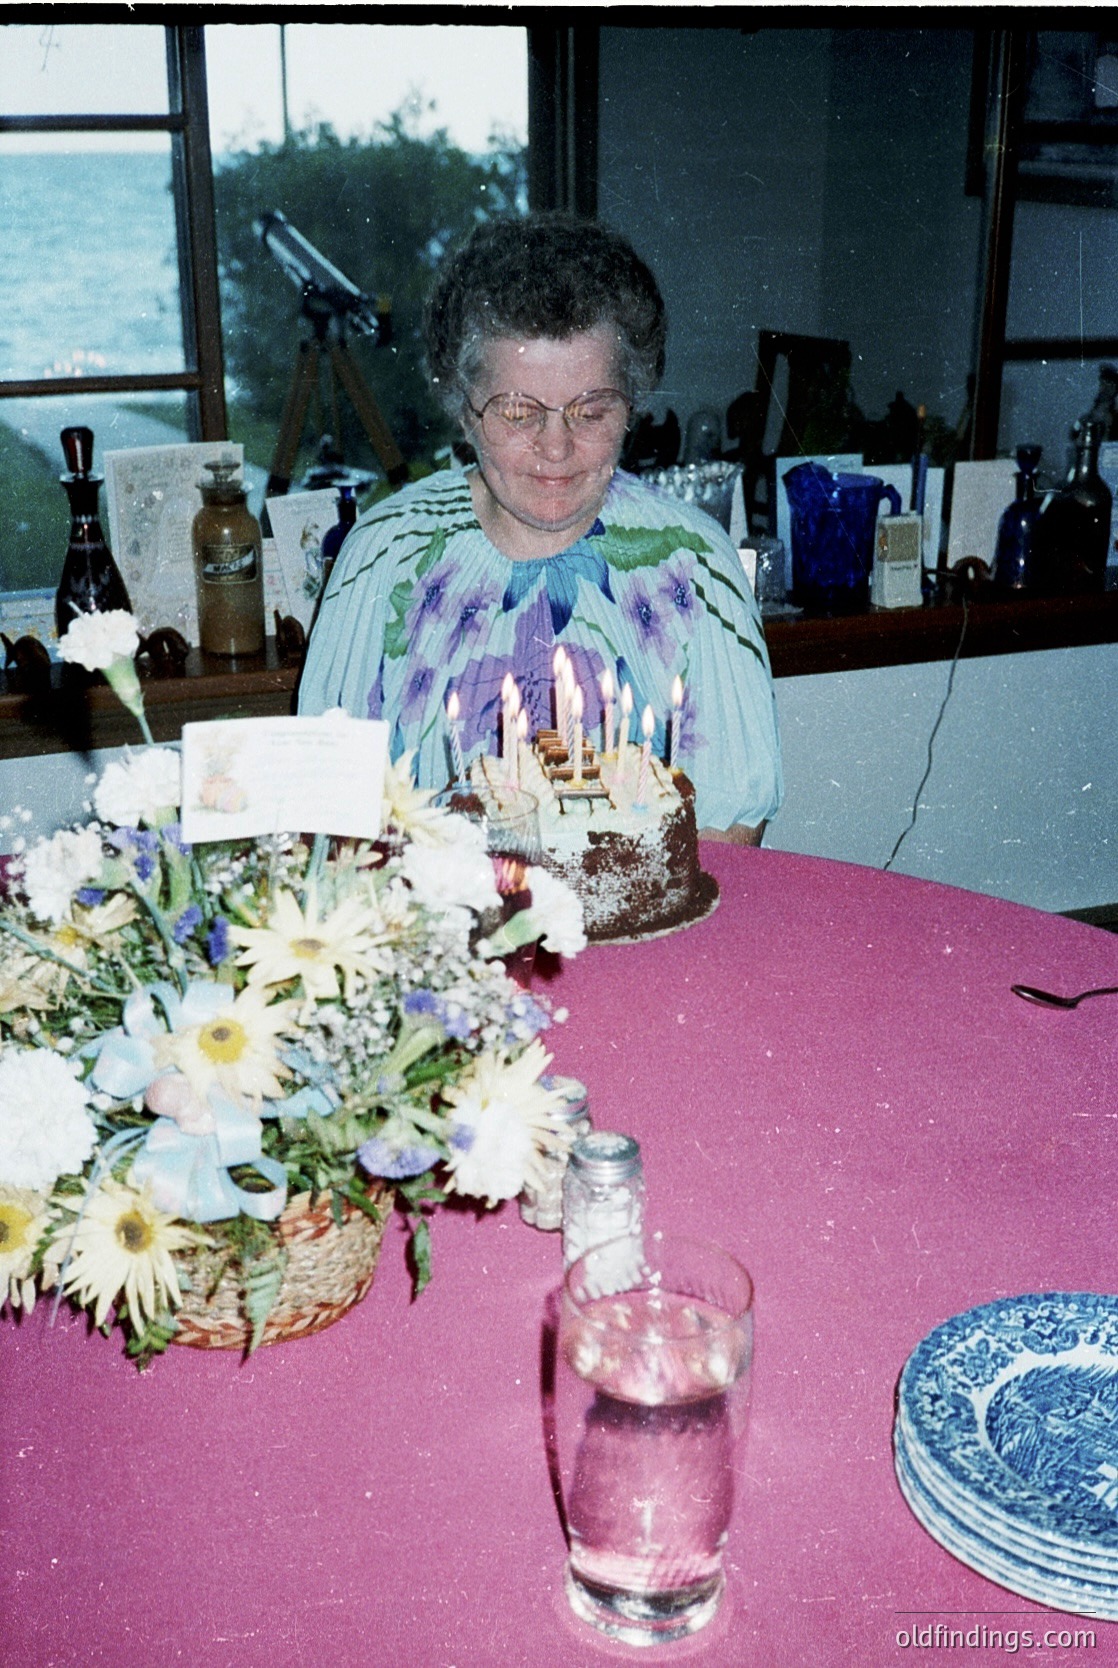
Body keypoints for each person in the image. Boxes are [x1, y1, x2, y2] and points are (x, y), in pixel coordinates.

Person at [298, 212, 782, 843]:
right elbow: (322, 824)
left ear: (631, 402)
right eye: (519, 412)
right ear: (464, 409)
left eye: (592, 410)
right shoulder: (380, 555)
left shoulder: (697, 562)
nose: (556, 449)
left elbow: (727, 839)